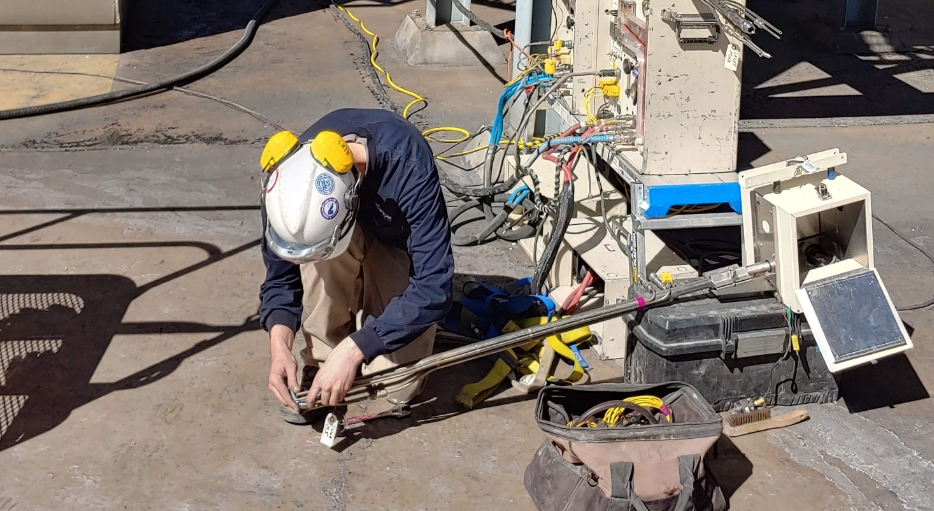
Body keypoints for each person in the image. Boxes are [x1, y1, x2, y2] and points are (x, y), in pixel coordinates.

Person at [258, 108, 454, 424]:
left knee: (394, 385)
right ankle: (322, 358)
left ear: (354, 193)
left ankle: (353, 340)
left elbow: (434, 286)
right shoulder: (287, 184)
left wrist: (355, 350)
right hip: (341, 238)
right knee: (317, 257)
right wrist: (279, 347)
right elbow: (280, 279)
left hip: (396, 244)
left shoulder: (408, 163)